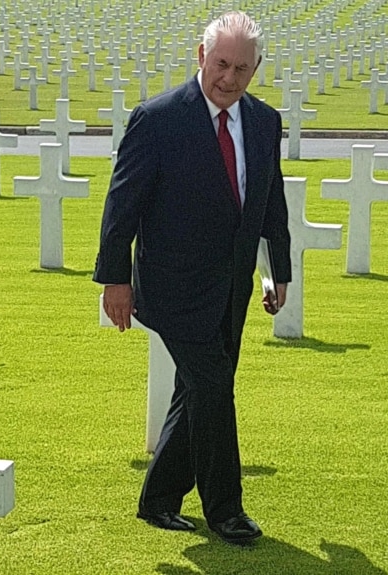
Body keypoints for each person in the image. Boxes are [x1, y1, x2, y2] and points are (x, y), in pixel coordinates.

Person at [93, 11, 291, 546]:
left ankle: (158, 498)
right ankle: (225, 508)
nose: (229, 79)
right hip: (172, 286)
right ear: (202, 56)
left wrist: (279, 273)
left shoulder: (265, 122)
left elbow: (271, 203)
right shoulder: (157, 119)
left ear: (256, 69)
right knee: (213, 385)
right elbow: (122, 205)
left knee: (196, 388)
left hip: (233, 289)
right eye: (221, 64)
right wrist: (116, 280)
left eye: (242, 69)